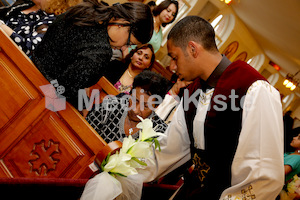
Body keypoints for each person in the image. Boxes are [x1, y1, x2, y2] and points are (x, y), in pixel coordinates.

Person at [139, 16, 284, 199]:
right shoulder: (193, 90)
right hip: (192, 190)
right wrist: (126, 168)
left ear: (193, 49)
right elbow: (172, 148)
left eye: (175, 58)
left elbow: (264, 175)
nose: (172, 66)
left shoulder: (253, 88)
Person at [32, 0, 154, 109]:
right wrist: (83, 105)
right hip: (42, 94)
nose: (124, 47)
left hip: (31, 65)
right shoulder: (102, 52)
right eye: (129, 42)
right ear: (122, 23)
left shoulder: (88, 8)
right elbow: (65, 88)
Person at [86, 70, 169, 143]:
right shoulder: (111, 105)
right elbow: (85, 133)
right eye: (134, 100)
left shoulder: (158, 132)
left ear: (156, 106)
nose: (135, 110)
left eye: (145, 106)